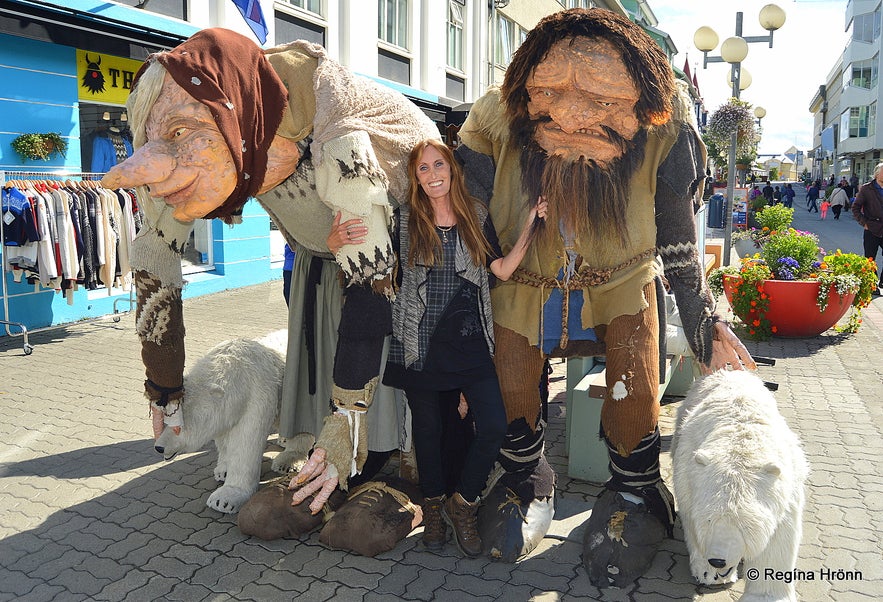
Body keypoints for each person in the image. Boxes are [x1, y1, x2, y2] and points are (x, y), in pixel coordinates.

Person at [455, 8, 755, 584]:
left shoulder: (665, 124)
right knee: (513, 376)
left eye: (599, 100)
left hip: (621, 283)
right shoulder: (498, 112)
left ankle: (637, 489)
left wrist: (702, 325)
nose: (568, 114)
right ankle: (524, 474)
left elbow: (677, 239)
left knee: (633, 385)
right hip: (521, 284)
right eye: (551, 91)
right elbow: (470, 217)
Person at [851, 162, 883, 294]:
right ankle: (873, 284)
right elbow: (855, 208)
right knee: (870, 258)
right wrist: (864, 223)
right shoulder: (867, 188)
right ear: (877, 174)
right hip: (872, 228)